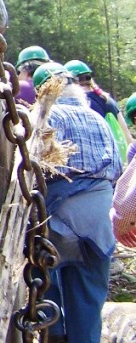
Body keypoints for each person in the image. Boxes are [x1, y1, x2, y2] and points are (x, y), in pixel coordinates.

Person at [33, 62, 123, 342]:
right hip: (98, 223)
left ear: (41, 91)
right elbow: (118, 170)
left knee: (48, 290)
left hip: (57, 221)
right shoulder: (97, 118)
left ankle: (55, 334)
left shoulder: (44, 117)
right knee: (89, 303)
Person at [64, 59, 134, 162]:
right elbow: (127, 137)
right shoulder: (108, 100)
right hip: (119, 160)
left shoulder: (77, 105)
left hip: (98, 163)